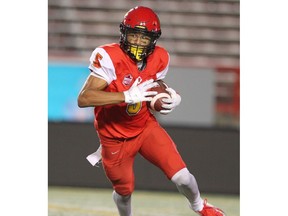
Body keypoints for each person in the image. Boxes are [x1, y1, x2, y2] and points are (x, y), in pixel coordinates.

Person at [78, 6, 225, 216]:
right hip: (114, 137)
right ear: (123, 34)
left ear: (153, 40)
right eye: (133, 35)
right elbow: (84, 98)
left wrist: (171, 96)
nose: (137, 42)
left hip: (145, 127)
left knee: (182, 176)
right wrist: (126, 96)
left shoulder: (161, 57)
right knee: (124, 190)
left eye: (143, 38)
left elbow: (155, 85)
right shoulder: (109, 56)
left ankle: (200, 206)